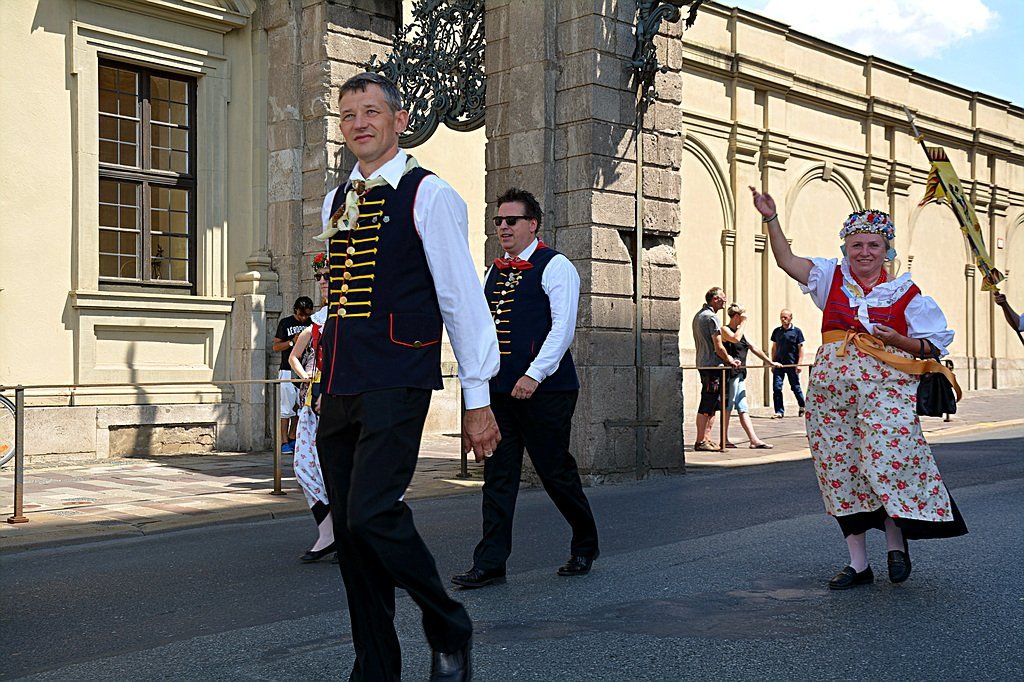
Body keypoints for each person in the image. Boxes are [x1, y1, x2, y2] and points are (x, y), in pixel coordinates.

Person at [314, 72, 499, 682]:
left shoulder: (430, 194)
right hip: (338, 380)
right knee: (349, 531)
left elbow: (462, 300)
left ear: (398, 120)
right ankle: (374, 664)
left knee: (371, 511)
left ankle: (448, 623)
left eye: (371, 111)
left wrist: (478, 399)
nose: (359, 123)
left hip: (397, 373)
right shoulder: (336, 199)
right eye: (348, 115)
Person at [750, 186, 967, 590]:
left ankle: (897, 544)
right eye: (856, 244)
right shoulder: (829, 277)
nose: (863, 251)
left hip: (886, 389)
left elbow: (932, 344)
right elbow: (785, 259)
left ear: (887, 249)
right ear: (846, 247)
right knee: (841, 470)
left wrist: (897, 340)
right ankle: (858, 564)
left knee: (886, 461)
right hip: (832, 393)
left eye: (873, 244)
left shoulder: (906, 292)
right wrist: (770, 218)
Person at [451, 188, 600, 590]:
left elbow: (562, 328)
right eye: (498, 221)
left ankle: (585, 544)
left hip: (548, 391)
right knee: (498, 476)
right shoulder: (492, 271)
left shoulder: (557, 266)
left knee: (554, 471)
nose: (503, 227)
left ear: (532, 224)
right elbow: (482, 331)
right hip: (500, 393)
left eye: (511, 220)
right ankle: (490, 562)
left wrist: (534, 374)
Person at [288, 253, 334, 563]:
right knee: (305, 467)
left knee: (337, 471)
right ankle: (330, 532)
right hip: (312, 404)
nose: (321, 282)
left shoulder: (351, 317)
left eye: (327, 276)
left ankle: (342, 535)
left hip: (340, 402)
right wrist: (307, 378)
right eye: (319, 277)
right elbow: (294, 356)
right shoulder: (316, 322)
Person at [691, 287, 741, 451]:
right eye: (722, 298)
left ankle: (707, 438)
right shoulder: (711, 318)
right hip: (712, 366)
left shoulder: (699, 315)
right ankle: (700, 440)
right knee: (707, 403)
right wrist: (730, 360)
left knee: (712, 403)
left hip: (704, 363)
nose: (725, 301)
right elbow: (718, 346)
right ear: (714, 299)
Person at [722, 303, 778, 449]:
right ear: (736, 317)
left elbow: (754, 348)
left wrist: (770, 362)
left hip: (740, 373)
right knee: (729, 405)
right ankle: (724, 438)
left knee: (742, 406)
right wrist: (744, 322)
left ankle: (753, 439)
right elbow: (735, 339)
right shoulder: (725, 330)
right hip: (730, 374)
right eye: (742, 317)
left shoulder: (742, 333)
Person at [272, 296, 314, 453]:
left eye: (306, 315)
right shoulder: (286, 323)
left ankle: (293, 437)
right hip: (287, 370)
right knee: (286, 408)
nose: (303, 317)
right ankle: (283, 442)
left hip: (306, 370)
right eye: (300, 314)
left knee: (300, 407)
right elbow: (276, 347)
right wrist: (291, 342)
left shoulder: (311, 323)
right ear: (295, 310)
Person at [769, 309, 806, 418]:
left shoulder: (797, 331)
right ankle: (779, 411)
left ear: (790, 318)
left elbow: (801, 348)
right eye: (781, 317)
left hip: (791, 365)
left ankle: (802, 405)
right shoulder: (777, 331)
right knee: (777, 388)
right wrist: (772, 362)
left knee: (795, 387)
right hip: (779, 364)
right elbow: (774, 347)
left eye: (785, 317)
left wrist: (799, 364)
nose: (783, 319)